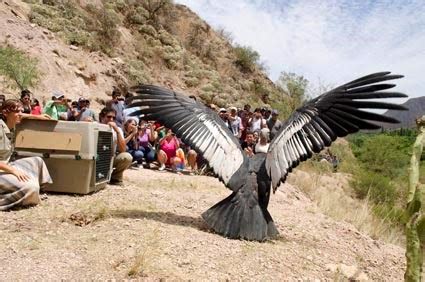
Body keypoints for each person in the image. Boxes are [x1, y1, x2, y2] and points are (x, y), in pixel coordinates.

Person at [0, 99, 53, 211]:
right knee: (31, 187)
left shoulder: (11, 123)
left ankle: (37, 191)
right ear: (5, 113)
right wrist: (14, 171)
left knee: (37, 161)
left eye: (21, 111)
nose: (20, 114)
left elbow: (21, 115)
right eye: (16, 112)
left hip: (6, 165)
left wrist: (38, 117)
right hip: (3, 169)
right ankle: (27, 194)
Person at [99, 107, 132, 185]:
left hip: (110, 158)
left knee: (126, 157)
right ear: (102, 117)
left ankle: (115, 177)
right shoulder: (95, 126)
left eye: (113, 117)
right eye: (109, 117)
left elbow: (123, 149)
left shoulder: (118, 130)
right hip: (96, 158)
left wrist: (117, 131)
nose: (111, 119)